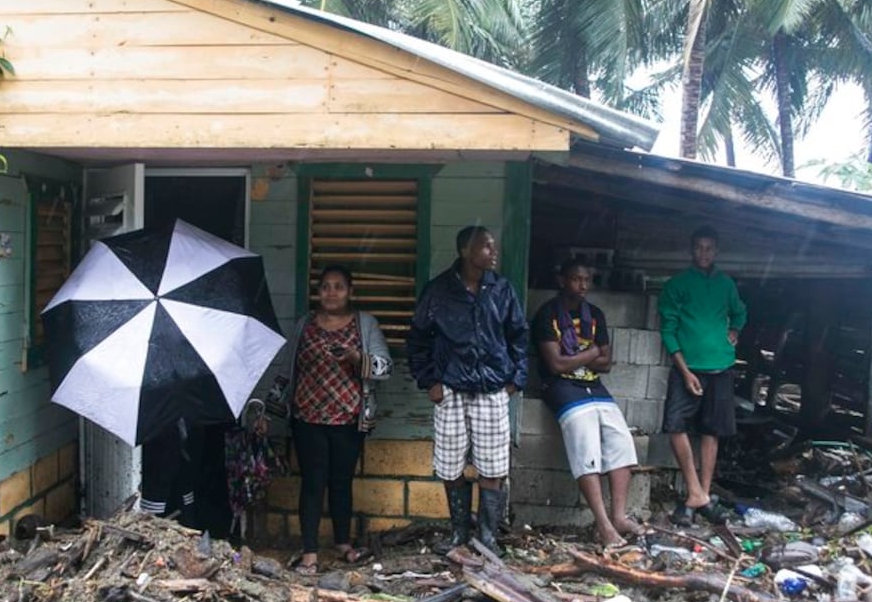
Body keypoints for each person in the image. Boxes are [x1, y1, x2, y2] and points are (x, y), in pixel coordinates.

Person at [407, 225, 528, 555]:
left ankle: (487, 538)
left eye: (494, 246)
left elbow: (519, 336)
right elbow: (417, 339)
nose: (494, 252)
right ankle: (459, 533)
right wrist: (429, 381)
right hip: (451, 389)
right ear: (465, 252)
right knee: (450, 466)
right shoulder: (439, 291)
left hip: (492, 390)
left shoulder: (501, 290)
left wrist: (515, 380)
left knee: (493, 466)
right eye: (486, 247)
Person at [266, 265, 392, 574]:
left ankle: (342, 543)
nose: (331, 292)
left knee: (341, 482)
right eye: (325, 287)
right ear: (318, 292)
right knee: (312, 482)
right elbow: (287, 369)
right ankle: (309, 552)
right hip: (307, 417)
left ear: (351, 291)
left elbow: (385, 368)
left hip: (348, 419)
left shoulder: (365, 324)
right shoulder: (304, 325)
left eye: (338, 287)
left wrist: (356, 358)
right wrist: (270, 410)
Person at [532, 258, 642, 545]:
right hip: (560, 387)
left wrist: (579, 359)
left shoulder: (594, 315)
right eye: (576, 279)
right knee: (586, 441)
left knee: (621, 439)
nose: (582, 285)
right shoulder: (547, 315)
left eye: (587, 280)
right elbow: (555, 365)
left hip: (593, 385)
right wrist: (591, 353)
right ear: (562, 281)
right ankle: (603, 525)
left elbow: (607, 363)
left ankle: (618, 516)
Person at [658, 225, 747, 526]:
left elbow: (739, 311)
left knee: (712, 431)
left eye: (709, 248)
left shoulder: (726, 284)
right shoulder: (677, 285)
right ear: (691, 250)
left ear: (716, 251)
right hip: (689, 367)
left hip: (721, 366)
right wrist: (685, 372)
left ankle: (701, 495)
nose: (704, 253)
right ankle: (695, 490)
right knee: (675, 425)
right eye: (699, 247)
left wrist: (735, 328)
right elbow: (668, 330)